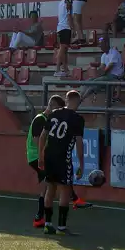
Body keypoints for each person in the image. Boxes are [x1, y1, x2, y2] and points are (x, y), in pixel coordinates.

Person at [38, 89, 85, 235]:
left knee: (50, 188)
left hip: (49, 156)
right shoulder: (77, 119)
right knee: (64, 189)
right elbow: (78, 143)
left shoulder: (54, 114)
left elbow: (42, 136)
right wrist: (81, 164)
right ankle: (62, 228)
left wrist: (40, 156)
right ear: (76, 101)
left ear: (66, 99)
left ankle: (47, 224)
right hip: (63, 158)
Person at [27, 95, 66, 227]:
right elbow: (37, 141)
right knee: (50, 185)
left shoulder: (47, 120)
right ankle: (39, 217)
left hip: (41, 156)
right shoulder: (40, 120)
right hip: (36, 157)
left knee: (48, 185)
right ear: (52, 106)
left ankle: (40, 217)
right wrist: (44, 157)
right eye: (59, 109)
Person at [54, 0, 73, 78]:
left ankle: (65, 69)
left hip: (60, 27)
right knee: (62, 49)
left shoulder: (60, 2)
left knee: (64, 50)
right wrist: (72, 28)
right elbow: (69, 16)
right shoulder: (68, 2)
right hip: (66, 27)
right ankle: (57, 69)